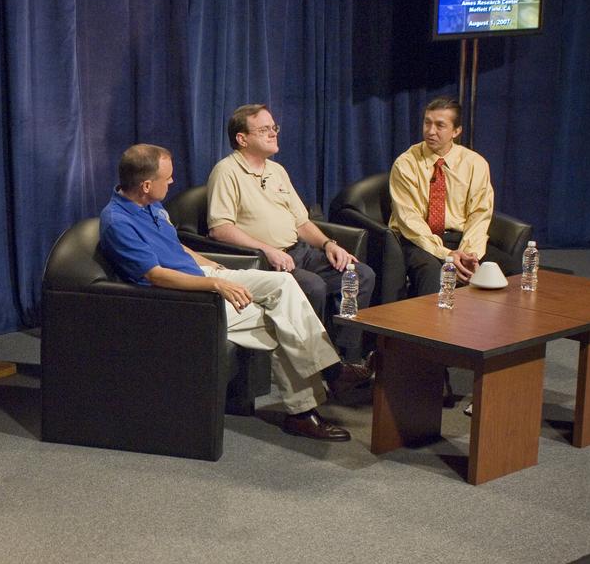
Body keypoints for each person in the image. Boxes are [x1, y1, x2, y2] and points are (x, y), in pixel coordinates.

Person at [99, 144, 370, 442]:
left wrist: (213, 266)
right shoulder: (118, 222)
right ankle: (306, 408)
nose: (173, 182)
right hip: (182, 299)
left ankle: (330, 372)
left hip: (203, 276)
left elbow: (176, 248)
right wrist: (216, 284)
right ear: (146, 185)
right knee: (280, 321)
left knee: (285, 285)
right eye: (168, 178)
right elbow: (156, 275)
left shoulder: (152, 205)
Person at [206, 103, 376, 367]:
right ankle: (321, 367)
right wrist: (267, 250)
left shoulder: (277, 170)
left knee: (360, 275)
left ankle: (345, 359)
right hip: (266, 262)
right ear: (242, 139)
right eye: (264, 129)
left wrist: (329, 244)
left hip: (300, 252)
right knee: (314, 287)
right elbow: (221, 229)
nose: (273, 133)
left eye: (274, 127)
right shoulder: (226, 172)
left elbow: (301, 222)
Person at [388, 96, 494, 296]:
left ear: (456, 131)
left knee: (500, 270)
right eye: (427, 123)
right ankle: (426, 328)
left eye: (440, 125)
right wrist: (447, 255)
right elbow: (409, 221)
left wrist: (469, 254)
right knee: (433, 273)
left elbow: (480, 214)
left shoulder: (475, 164)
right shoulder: (406, 164)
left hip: (459, 239)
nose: (430, 131)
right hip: (417, 241)